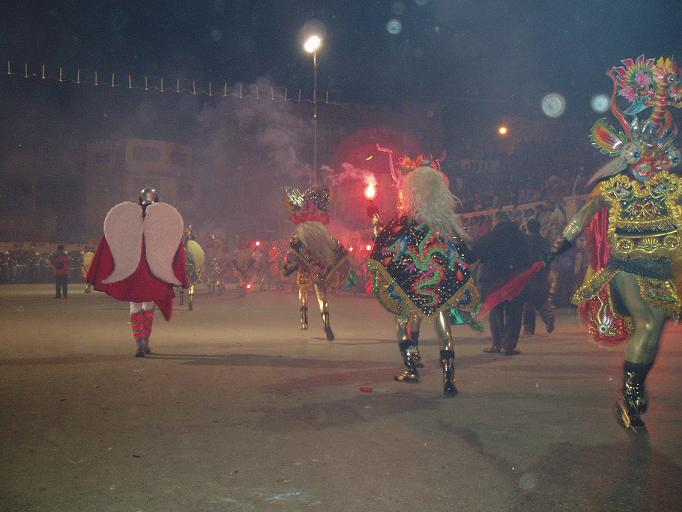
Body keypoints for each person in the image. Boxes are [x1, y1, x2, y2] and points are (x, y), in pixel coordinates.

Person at [547, 55, 681, 431]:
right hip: (626, 264)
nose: (651, 161)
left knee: (655, 330)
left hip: (661, 267)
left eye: (658, 155)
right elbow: (586, 214)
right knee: (645, 325)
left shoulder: (673, 188)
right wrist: (562, 242)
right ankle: (630, 397)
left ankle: (633, 387)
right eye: (642, 154)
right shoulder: (616, 187)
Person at [369, 150, 480, 396]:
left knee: (403, 320)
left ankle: (411, 368)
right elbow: (467, 255)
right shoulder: (446, 227)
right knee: (444, 329)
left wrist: (376, 225)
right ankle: (449, 380)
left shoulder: (404, 222)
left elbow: (381, 249)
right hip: (439, 286)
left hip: (412, 286)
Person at [87, 187, 188, 357]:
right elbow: (174, 248)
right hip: (153, 272)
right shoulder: (161, 223)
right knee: (148, 305)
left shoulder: (128, 221)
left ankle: (140, 342)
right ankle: (145, 342)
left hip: (132, 272)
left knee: (135, 306)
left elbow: (109, 240)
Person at [282, 186, 350, 341]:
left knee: (303, 292)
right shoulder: (322, 235)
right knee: (321, 297)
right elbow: (338, 250)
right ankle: (326, 324)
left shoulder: (298, 237)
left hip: (307, 269)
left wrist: (288, 268)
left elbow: (292, 255)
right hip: (319, 270)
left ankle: (304, 320)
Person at [474, 211, 531, 355]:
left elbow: (476, 253)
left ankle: (497, 344)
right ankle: (509, 346)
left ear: (497, 221)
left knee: (496, 312)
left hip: (493, 279)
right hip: (515, 279)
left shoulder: (490, 237)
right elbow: (530, 257)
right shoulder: (522, 237)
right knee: (514, 312)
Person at [522, 218, 555, 334]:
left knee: (528, 300)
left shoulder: (525, 240)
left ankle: (528, 327)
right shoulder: (544, 241)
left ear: (528, 228)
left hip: (528, 272)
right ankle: (548, 316)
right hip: (542, 271)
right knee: (541, 296)